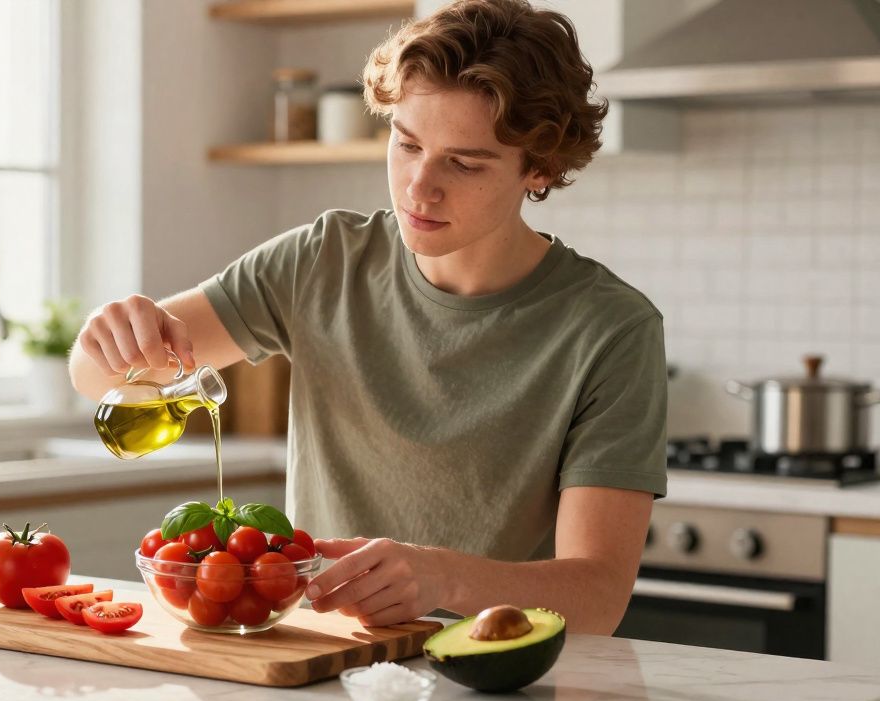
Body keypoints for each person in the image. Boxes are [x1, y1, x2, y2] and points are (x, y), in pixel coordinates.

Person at [68, 0, 665, 635]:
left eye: (463, 163)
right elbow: (95, 378)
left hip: (501, 685)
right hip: (317, 667)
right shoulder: (321, 261)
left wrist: (442, 577)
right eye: (406, 144)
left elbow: (598, 597)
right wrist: (107, 339)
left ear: (539, 167)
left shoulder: (611, 329)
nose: (418, 186)